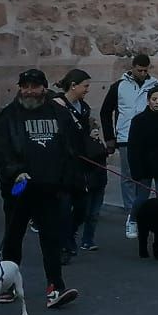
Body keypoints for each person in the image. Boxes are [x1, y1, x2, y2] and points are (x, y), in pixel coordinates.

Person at [0, 68, 85, 308]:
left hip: (50, 188)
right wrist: (15, 171)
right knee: (13, 237)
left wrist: (67, 180)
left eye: (35, 86)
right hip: (19, 188)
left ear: (44, 87)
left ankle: (55, 287)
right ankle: (8, 285)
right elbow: (0, 150)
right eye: (25, 86)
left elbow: (71, 148)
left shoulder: (59, 113)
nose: (30, 91)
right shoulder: (8, 115)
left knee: (51, 239)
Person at [100, 53, 158, 238]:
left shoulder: (154, 85)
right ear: (132, 68)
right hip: (125, 136)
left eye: (145, 70)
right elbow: (105, 111)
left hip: (148, 138)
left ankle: (141, 210)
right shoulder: (119, 86)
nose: (142, 73)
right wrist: (109, 137)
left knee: (145, 176)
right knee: (128, 176)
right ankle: (130, 213)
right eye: (139, 70)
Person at [57, 69, 109, 253]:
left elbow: (84, 130)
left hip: (82, 164)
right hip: (64, 164)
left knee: (81, 208)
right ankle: (63, 244)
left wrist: (91, 134)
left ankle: (69, 234)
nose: (87, 89)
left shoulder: (84, 107)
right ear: (73, 85)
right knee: (64, 207)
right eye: (85, 86)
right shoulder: (57, 105)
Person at [126, 87, 158, 201]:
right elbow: (133, 148)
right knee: (141, 198)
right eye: (154, 99)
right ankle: (135, 214)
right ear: (148, 101)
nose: (157, 102)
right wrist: (136, 172)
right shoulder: (138, 120)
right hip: (144, 167)